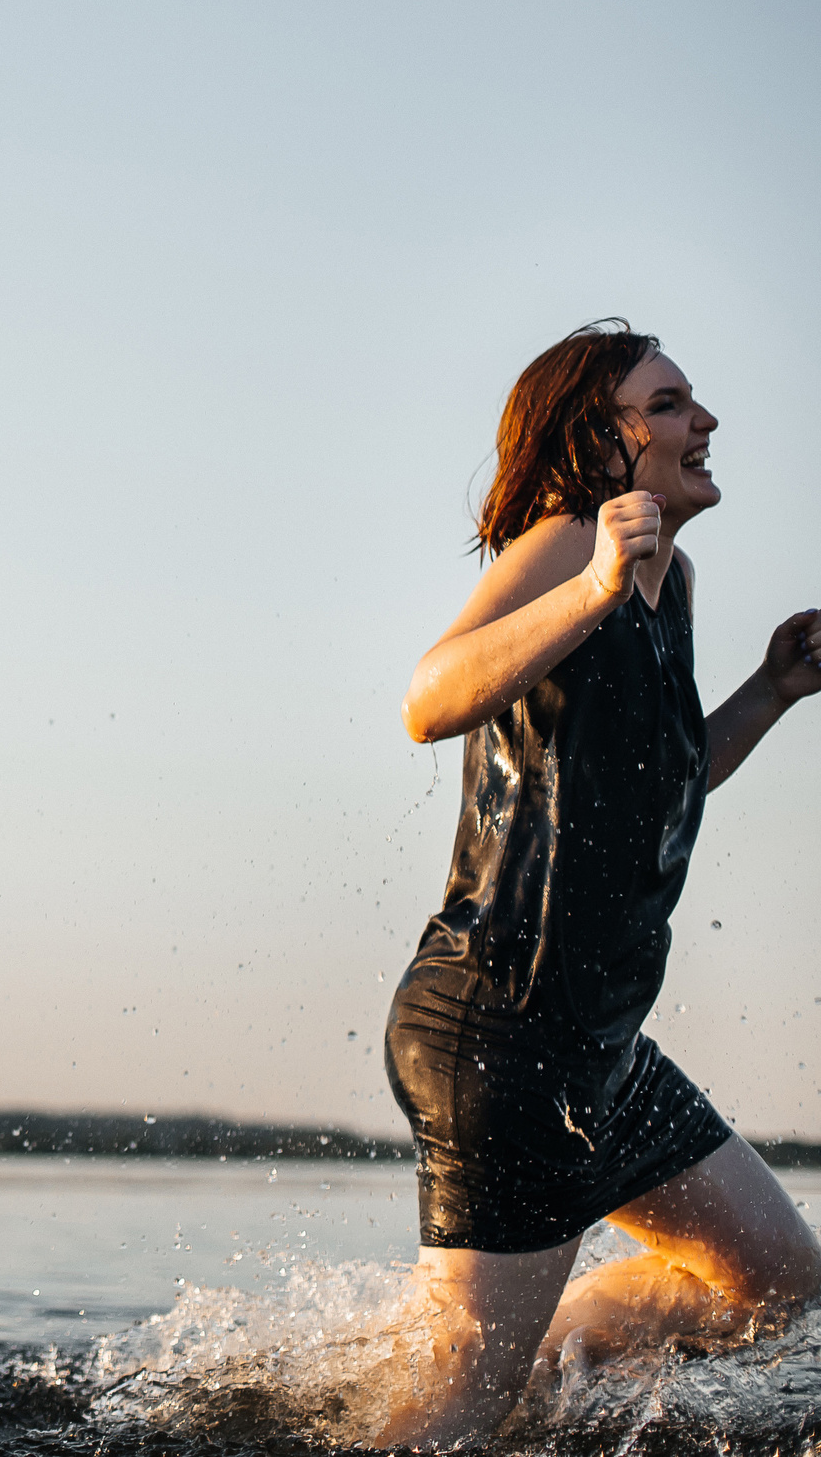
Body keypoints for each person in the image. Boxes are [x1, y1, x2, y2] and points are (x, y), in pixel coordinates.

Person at [372, 320, 821, 1446]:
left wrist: (771, 691)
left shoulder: (672, 579)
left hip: (601, 1048)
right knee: (452, 1429)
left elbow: (656, 786)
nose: (702, 422)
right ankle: (472, 1367)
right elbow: (428, 701)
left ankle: (522, 1343)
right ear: (599, 440)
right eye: (668, 405)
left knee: (783, 1288)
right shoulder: (569, 544)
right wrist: (594, 588)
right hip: (503, 1031)